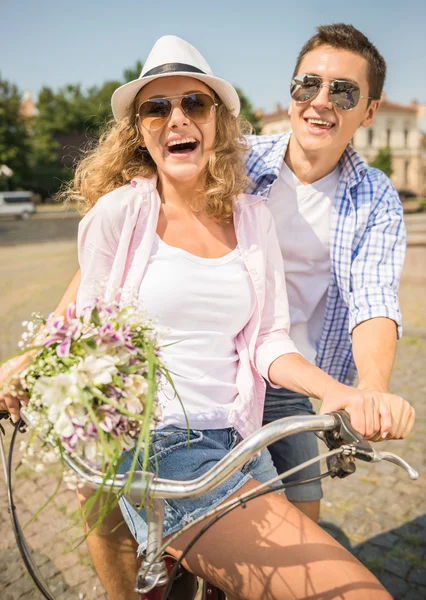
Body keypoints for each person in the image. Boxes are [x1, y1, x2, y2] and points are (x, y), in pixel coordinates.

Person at [0, 33, 414, 600]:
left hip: (248, 416)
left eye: (194, 104)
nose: (178, 118)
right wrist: (34, 356)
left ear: (217, 120)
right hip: (161, 440)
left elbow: (305, 325)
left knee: (299, 527)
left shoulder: (265, 212)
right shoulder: (122, 211)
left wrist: (350, 391)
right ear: (138, 129)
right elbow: (91, 309)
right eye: (157, 107)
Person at [246, 23, 408, 523]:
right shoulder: (236, 161)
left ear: (369, 111)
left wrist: (372, 388)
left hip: (296, 379)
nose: (320, 101)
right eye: (307, 84)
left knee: (302, 524)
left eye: (343, 91)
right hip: (213, 368)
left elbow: (373, 297)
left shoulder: (375, 195)